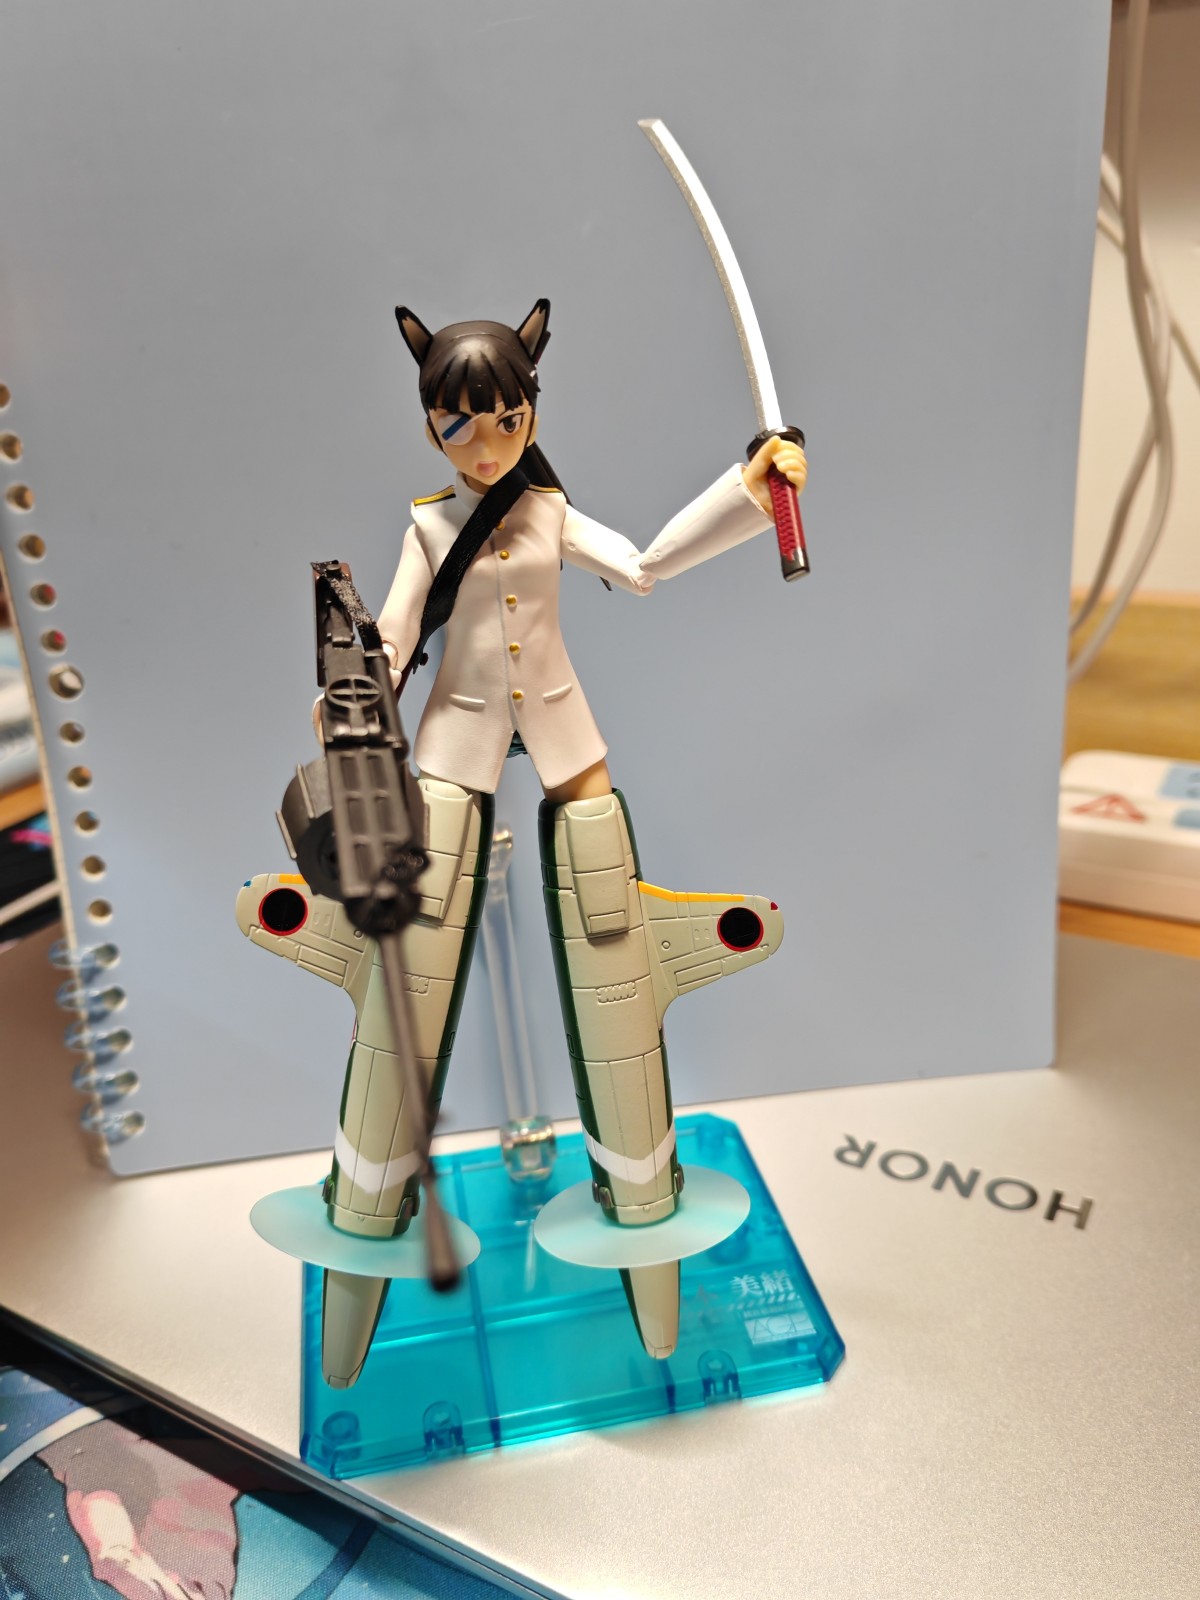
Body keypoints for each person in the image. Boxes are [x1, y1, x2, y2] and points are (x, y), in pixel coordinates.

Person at [318, 300, 806, 1382]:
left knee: (607, 925)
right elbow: (392, 638)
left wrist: (751, 486)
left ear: (531, 408)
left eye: (506, 420)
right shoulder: (428, 527)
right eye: (459, 425)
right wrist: (344, 698)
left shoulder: (548, 513)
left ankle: (643, 1205)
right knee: (415, 960)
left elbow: (645, 564)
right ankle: (363, 1211)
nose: (486, 445)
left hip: (563, 731)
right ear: (431, 424)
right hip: (453, 743)